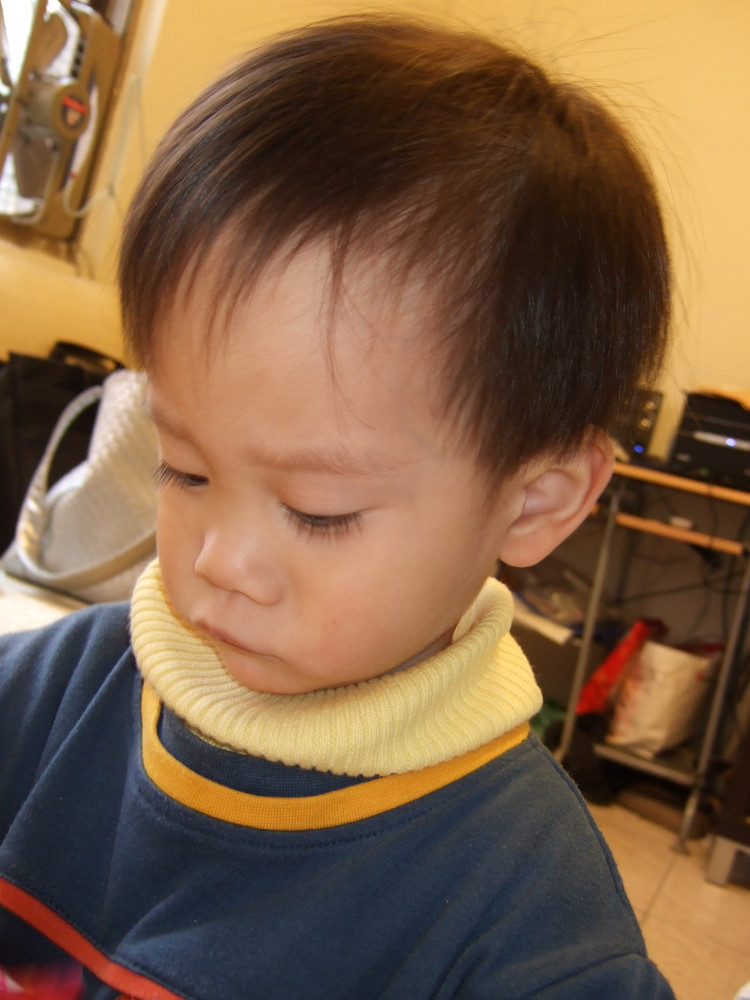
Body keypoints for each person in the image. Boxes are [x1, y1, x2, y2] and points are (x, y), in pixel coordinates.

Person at [0, 14, 675, 999]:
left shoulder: (525, 919)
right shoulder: (62, 692)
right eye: (185, 469)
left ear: (534, 502)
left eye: (317, 511)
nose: (218, 560)